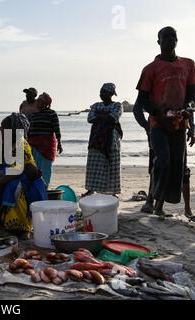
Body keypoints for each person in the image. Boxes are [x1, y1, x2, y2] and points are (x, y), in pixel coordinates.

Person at [135, 26, 195, 220]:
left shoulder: (188, 65)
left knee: (177, 165)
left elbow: (192, 96)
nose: (170, 39)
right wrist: (156, 115)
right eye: (165, 37)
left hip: (179, 123)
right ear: (158, 41)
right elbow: (142, 101)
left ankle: (159, 206)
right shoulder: (150, 69)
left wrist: (189, 118)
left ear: (177, 40)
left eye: (173, 36)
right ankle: (151, 200)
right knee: (163, 160)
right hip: (158, 124)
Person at [134, 99, 195, 221]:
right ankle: (152, 202)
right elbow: (137, 108)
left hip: (178, 130)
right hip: (158, 130)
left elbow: (188, 107)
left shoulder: (183, 85)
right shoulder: (154, 86)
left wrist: (191, 128)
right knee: (159, 166)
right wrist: (148, 127)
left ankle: (187, 209)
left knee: (182, 168)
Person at [83, 83, 123, 197]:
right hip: (96, 139)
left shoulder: (117, 105)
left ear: (110, 94)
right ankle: (91, 189)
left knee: (112, 164)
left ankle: (112, 191)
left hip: (112, 139)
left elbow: (114, 117)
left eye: (103, 92)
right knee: (93, 165)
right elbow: (90, 119)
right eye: (101, 92)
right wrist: (106, 116)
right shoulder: (96, 105)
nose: (101, 94)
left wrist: (99, 116)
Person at [26, 93, 63, 186]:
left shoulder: (52, 113)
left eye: (41, 101)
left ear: (46, 103)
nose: (38, 102)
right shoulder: (33, 115)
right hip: (34, 146)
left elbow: (56, 129)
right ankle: (35, 187)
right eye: (38, 100)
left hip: (47, 146)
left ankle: (44, 187)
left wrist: (59, 143)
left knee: (46, 168)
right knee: (34, 168)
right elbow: (29, 131)